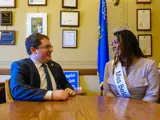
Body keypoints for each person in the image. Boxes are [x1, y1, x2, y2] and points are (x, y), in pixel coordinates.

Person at [10, 33, 75, 101]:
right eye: (47, 47)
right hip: (33, 108)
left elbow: (65, 84)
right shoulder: (20, 66)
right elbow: (18, 90)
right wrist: (51, 95)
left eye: (50, 46)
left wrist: (68, 89)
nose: (51, 50)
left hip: (58, 107)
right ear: (33, 50)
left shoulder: (55, 66)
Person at [103, 29, 159, 102]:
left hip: (142, 110)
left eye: (116, 42)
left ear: (128, 43)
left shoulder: (149, 65)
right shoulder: (109, 66)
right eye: (112, 43)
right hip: (115, 109)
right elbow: (107, 92)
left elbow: (152, 96)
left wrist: (134, 110)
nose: (113, 46)